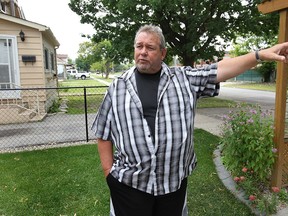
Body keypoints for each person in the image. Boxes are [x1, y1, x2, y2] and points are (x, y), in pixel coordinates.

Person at [92, 24, 288, 216]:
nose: (142, 52)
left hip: (172, 186)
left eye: (150, 47)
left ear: (163, 53)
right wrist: (109, 173)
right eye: (139, 46)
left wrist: (258, 55)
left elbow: (220, 69)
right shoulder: (117, 87)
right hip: (129, 185)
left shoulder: (185, 79)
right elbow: (103, 133)